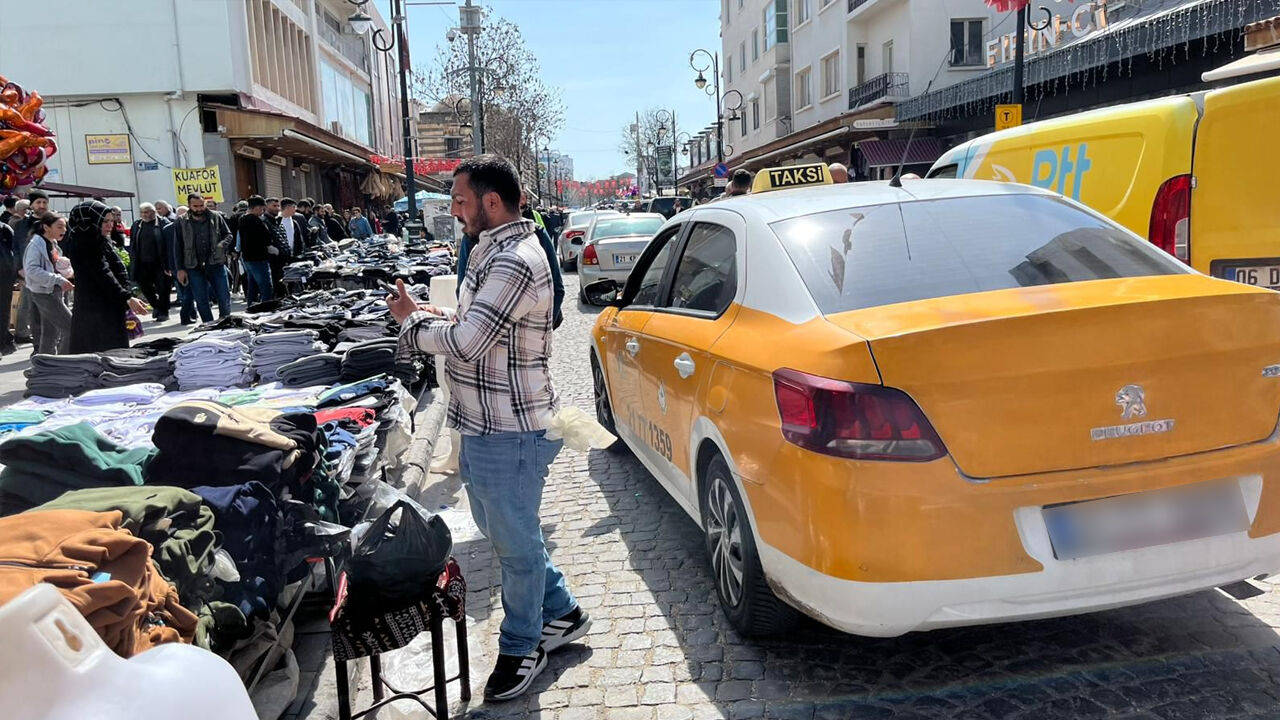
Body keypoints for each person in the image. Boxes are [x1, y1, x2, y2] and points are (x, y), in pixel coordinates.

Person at [387, 154, 586, 702]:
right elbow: (473, 324)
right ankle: (564, 613)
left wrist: (412, 325)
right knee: (507, 531)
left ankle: (523, 645)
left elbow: (469, 342)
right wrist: (428, 314)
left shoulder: (515, 261)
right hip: (481, 422)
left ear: (491, 203)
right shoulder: (488, 252)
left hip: (511, 429)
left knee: (516, 547)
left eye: (459, 200)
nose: (453, 211)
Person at [62, 201, 149, 353]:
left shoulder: (99, 239)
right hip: (96, 307)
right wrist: (127, 297)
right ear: (90, 221)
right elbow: (102, 273)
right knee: (102, 353)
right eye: (104, 221)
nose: (110, 225)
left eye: (111, 221)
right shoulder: (85, 242)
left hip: (106, 304)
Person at [175, 193, 234, 322]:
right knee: (201, 300)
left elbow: (228, 235)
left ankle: (226, 322)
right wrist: (180, 269)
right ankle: (209, 326)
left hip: (216, 264)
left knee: (224, 297)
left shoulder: (216, 217)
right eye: (195, 206)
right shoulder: (181, 221)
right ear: (189, 205)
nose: (199, 209)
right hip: (193, 266)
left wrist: (221, 245)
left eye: (201, 205)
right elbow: (178, 246)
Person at [23, 213, 74, 354]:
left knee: (50, 333)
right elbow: (32, 270)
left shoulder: (52, 243)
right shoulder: (36, 245)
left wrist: (65, 270)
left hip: (53, 291)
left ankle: (45, 364)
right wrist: (57, 279)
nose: (64, 230)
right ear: (46, 227)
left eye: (64, 226)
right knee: (71, 328)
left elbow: (52, 266)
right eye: (59, 227)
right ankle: (63, 363)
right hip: (45, 293)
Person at [12, 189, 50, 345]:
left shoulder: (53, 221)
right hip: (29, 271)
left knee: (53, 307)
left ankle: (50, 336)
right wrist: (20, 268)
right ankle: (23, 333)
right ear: (31, 205)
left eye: (44, 202)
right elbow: (17, 247)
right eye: (38, 202)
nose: (41, 206)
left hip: (51, 271)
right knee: (28, 304)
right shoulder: (21, 224)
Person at [128, 203, 171, 322]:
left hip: (160, 263)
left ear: (154, 212)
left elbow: (169, 243)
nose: (146, 215)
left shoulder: (163, 223)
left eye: (148, 212)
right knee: (144, 286)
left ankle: (163, 311)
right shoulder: (137, 225)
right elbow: (133, 244)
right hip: (142, 263)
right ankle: (156, 306)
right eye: (143, 212)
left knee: (163, 288)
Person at [237, 195, 274, 304]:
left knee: (252, 286)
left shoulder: (242, 219)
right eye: (262, 209)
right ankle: (267, 308)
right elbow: (266, 237)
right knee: (266, 286)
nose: (263, 212)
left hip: (247, 258)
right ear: (257, 207)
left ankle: (251, 307)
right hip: (258, 257)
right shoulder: (256, 221)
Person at [162, 213, 195, 325]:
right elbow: (164, 248)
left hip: (175, 265)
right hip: (183, 265)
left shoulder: (168, 228)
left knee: (185, 291)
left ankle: (192, 313)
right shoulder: (173, 228)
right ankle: (185, 315)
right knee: (188, 291)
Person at [0, 219, 16, 354]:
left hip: (4, 276)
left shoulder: (4, 229)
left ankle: (2, 343)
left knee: (3, 310)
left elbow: (14, 251)